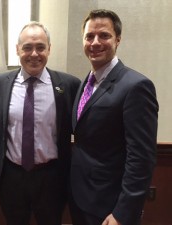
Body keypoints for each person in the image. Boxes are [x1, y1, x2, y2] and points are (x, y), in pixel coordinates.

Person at [68, 9, 158, 225]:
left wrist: (123, 212)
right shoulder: (85, 83)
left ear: (118, 39)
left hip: (110, 208)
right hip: (81, 200)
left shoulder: (136, 86)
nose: (95, 42)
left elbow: (141, 158)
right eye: (89, 36)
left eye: (104, 35)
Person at [0, 21, 80, 225]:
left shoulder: (69, 85)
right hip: (12, 176)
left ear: (49, 49)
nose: (34, 54)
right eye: (27, 48)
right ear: (17, 50)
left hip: (52, 176)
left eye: (40, 47)